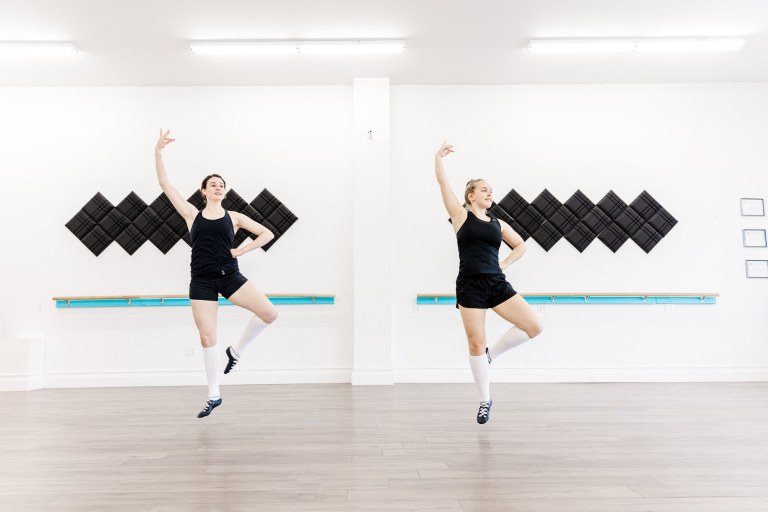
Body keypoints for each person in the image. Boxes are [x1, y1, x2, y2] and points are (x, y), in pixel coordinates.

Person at [154, 129, 278, 418]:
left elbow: (266, 233)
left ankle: (236, 352)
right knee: (207, 338)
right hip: (202, 281)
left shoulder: (234, 217)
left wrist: (242, 251)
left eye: (221, 184)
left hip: (229, 276)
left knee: (270, 314)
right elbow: (164, 184)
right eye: (213, 184)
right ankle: (214, 394)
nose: (218, 187)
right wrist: (158, 151)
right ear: (204, 191)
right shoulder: (191, 214)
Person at [434, 141, 543, 424]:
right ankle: (485, 400)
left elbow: (520, 246)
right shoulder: (460, 216)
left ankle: (490, 357)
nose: (489, 193)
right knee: (474, 343)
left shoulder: (498, 223)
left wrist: (503, 264)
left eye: (491, 190)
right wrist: (438, 158)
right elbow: (443, 182)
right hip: (469, 285)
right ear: (470, 196)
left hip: (495, 282)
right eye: (484, 189)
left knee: (534, 326)